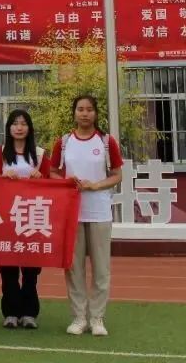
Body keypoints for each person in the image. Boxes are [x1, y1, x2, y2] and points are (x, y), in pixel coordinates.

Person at [50, 95, 123, 338]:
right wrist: (67, 181)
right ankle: (79, 317)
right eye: (80, 109)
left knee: (101, 269)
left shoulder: (106, 142)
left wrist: (96, 185)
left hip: (99, 211)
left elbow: (117, 175)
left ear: (95, 113)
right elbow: (52, 172)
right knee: (74, 268)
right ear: (74, 113)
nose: (84, 113)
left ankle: (97, 318)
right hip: (72, 213)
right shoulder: (64, 142)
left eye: (89, 109)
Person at [0, 109, 51, 330]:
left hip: (32, 217)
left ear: (29, 128)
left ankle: (29, 313)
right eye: (15, 123)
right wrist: (2, 176)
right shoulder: (0, 152)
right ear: (9, 128)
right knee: (8, 267)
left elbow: (52, 181)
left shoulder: (40, 154)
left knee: (30, 269)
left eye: (23, 123)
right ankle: (10, 312)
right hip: (6, 217)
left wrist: (41, 177)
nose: (19, 127)